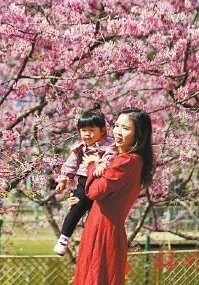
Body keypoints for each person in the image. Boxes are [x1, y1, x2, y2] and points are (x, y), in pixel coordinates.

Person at [72, 108, 154, 285]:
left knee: (96, 278)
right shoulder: (128, 159)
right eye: (116, 126)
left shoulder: (126, 161)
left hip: (103, 229)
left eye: (125, 128)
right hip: (102, 226)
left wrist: (92, 165)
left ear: (138, 133)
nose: (117, 131)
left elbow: (95, 191)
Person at [53, 105, 116, 255]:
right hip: (82, 181)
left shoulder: (110, 145)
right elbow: (71, 163)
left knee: (96, 213)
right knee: (76, 208)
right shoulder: (80, 147)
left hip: (100, 183)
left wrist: (101, 164)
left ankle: (94, 242)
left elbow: (110, 157)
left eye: (91, 130)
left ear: (102, 130)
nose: (87, 134)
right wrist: (64, 179)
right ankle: (64, 238)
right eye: (83, 130)